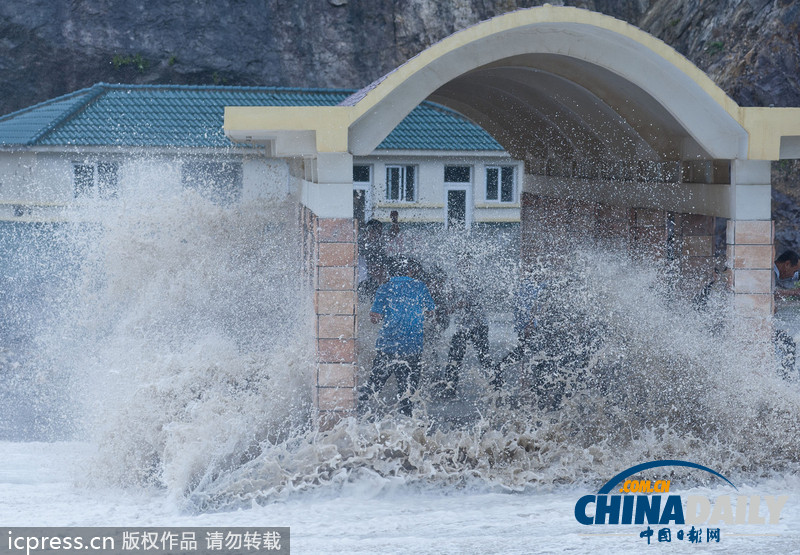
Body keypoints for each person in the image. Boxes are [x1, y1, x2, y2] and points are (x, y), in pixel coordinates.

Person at [358, 256, 435, 416]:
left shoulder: (385, 288)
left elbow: (374, 317)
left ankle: (355, 415)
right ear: (411, 271)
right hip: (412, 347)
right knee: (407, 392)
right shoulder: (420, 287)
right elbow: (430, 311)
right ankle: (406, 427)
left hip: (388, 346)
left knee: (373, 385)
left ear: (390, 272)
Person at [437, 254, 497, 398]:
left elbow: (469, 301)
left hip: (478, 325)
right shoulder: (455, 281)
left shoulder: (475, 280)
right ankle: (449, 389)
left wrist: (454, 306)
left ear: (471, 265)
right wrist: (448, 298)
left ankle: (497, 386)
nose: (464, 266)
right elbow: (450, 299)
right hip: (462, 327)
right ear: (458, 265)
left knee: (484, 358)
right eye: (461, 263)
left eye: (466, 263)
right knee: (454, 357)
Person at [357, 219, 389, 299]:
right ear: (370, 230)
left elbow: (393, 233)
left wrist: (395, 222)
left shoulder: (379, 243)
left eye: (380, 231)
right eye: (377, 231)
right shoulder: (361, 243)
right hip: (364, 278)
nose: (379, 234)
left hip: (373, 280)